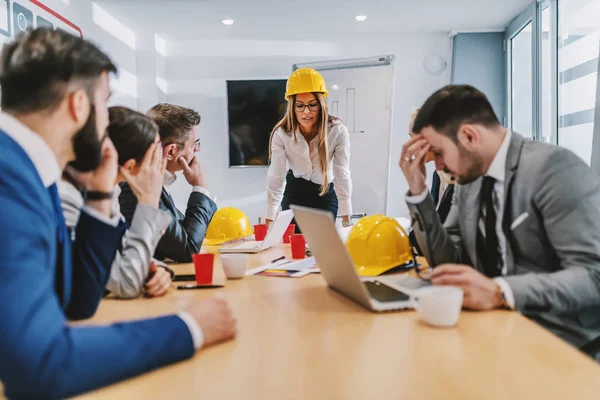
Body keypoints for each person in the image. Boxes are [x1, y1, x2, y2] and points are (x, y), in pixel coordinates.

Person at [0, 28, 235, 399]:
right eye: (104, 105)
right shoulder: (9, 180)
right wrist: (188, 327)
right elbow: (40, 367)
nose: (108, 127)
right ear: (79, 106)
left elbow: (78, 299)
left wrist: (97, 195)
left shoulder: (30, 174)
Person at [401, 84, 600, 349]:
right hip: (494, 329)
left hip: (559, 341)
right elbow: (447, 261)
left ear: (470, 136)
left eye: (438, 152)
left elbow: (593, 274)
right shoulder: (468, 180)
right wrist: (418, 191)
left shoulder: (554, 169)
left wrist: (500, 292)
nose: (434, 164)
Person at [59, 106, 174, 299]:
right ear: (129, 166)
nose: (159, 168)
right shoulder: (69, 199)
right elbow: (126, 282)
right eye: (154, 158)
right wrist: (148, 202)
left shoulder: (110, 192)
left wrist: (158, 269)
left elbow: (119, 252)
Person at [119, 104, 217, 262]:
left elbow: (183, 231)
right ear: (171, 151)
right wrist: (200, 188)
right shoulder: (138, 188)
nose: (197, 150)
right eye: (194, 145)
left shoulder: (154, 183)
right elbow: (188, 248)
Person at [266, 68, 353, 230]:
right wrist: (270, 218)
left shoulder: (337, 130)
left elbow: (342, 173)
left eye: (312, 105)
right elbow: (276, 175)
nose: (306, 112)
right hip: (295, 193)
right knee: (294, 246)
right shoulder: (281, 134)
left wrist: (347, 220)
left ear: (321, 105)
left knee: (322, 244)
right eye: (300, 105)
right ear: (292, 106)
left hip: (325, 193)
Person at [406, 108, 455, 255]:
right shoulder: (438, 175)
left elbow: (439, 242)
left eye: (414, 138)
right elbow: (419, 237)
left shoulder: (464, 182)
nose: (410, 145)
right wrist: (417, 189)